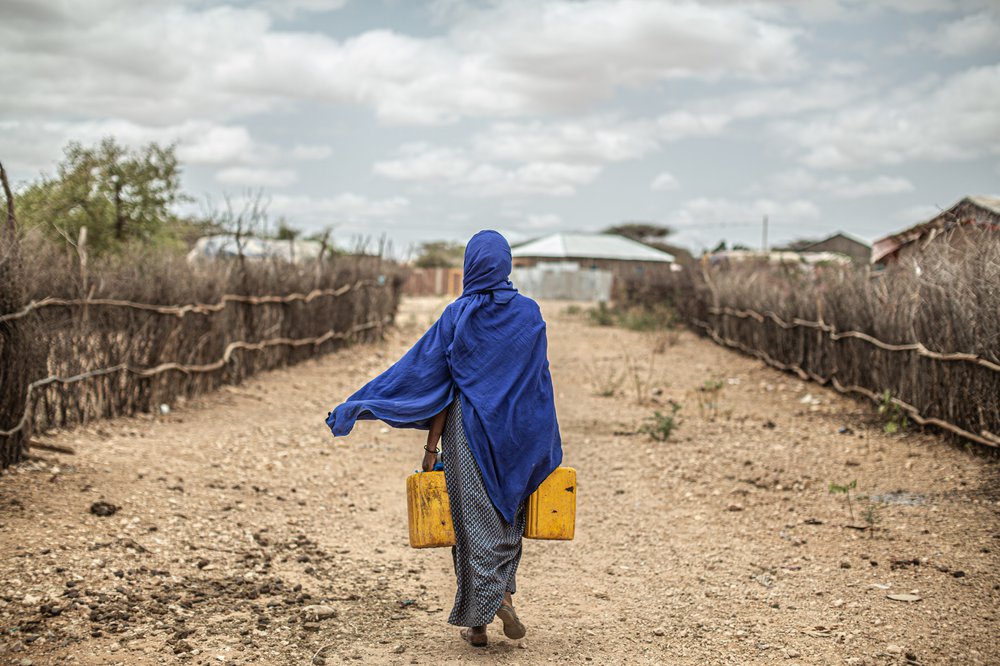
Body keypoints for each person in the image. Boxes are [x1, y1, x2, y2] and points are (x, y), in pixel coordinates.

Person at [326, 230, 562, 648]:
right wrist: (540, 440)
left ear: (470, 265)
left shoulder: (459, 315)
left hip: (468, 434)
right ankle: (503, 596)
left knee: (470, 527)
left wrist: (431, 447)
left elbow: (437, 384)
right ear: (505, 264)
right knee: (507, 517)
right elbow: (537, 382)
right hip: (518, 435)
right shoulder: (528, 313)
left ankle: (478, 622)